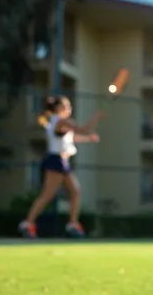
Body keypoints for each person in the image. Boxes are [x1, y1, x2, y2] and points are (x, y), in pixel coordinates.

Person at [18, 95, 103, 238]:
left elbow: (72, 137)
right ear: (58, 108)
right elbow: (83, 129)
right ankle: (27, 224)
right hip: (55, 161)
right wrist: (96, 118)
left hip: (62, 162)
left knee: (75, 191)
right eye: (66, 106)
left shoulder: (56, 122)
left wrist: (88, 139)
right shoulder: (61, 121)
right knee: (47, 195)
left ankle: (72, 225)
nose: (69, 109)